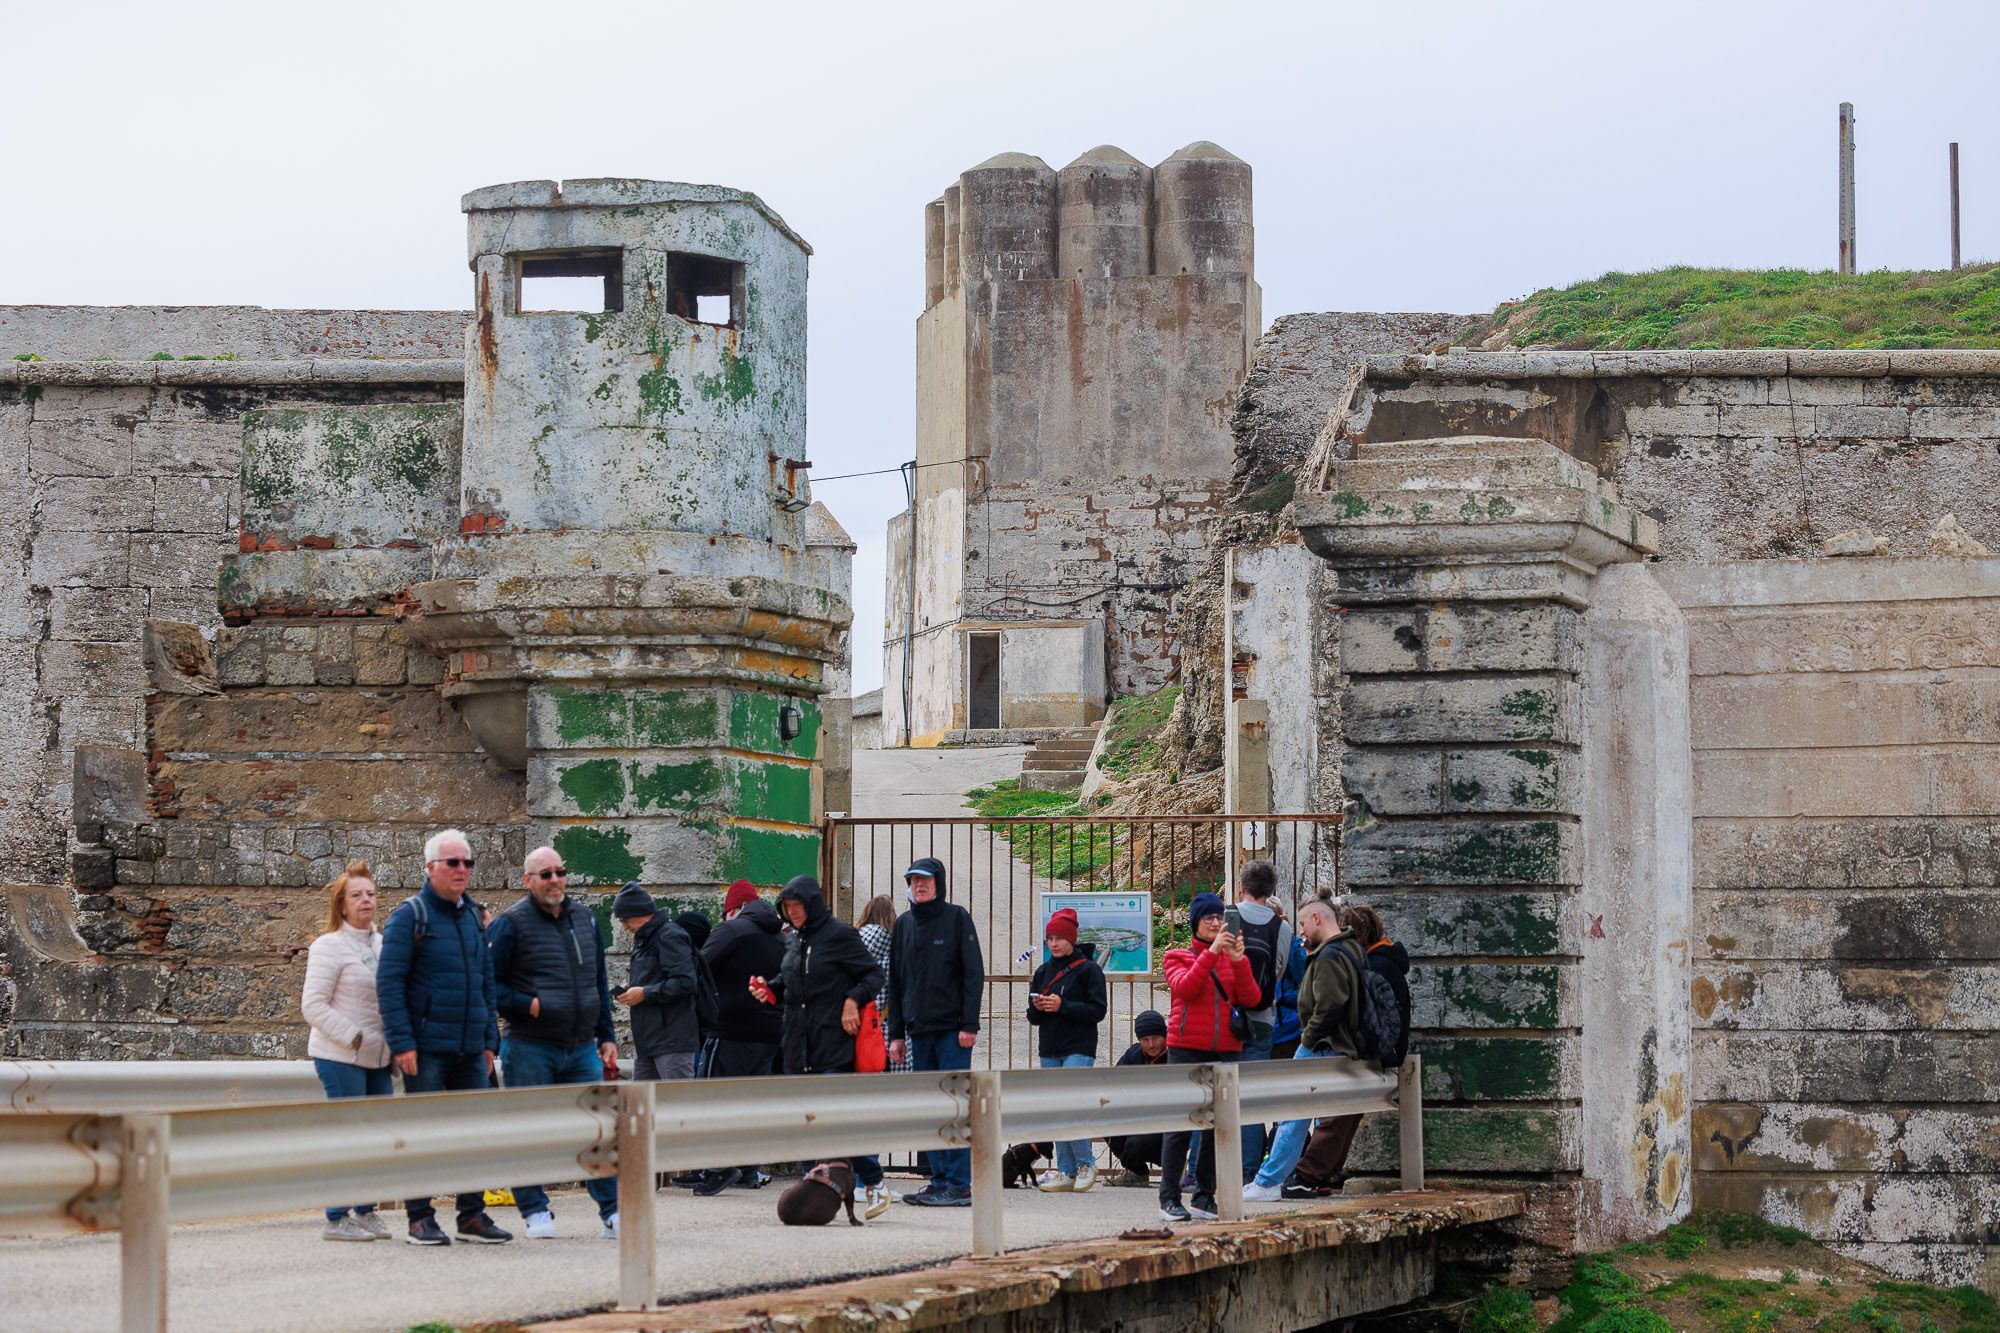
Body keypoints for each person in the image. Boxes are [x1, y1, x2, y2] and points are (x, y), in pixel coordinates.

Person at [375, 829, 512, 1246]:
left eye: (468, 862)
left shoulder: (471, 916)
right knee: (425, 1134)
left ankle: (471, 1215)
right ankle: (420, 1218)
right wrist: (402, 1043)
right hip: (426, 1048)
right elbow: (390, 984)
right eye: (453, 862)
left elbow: (486, 980)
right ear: (430, 867)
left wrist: (490, 1040)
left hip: (471, 1048)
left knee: (476, 1132)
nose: (462, 870)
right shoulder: (409, 916)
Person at [486, 846, 621, 1240]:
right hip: (530, 1045)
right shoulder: (510, 924)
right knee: (530, 1131)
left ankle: (612, 1211)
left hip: (581, 1047)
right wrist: (526, 1004)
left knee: (597, 1129)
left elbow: (597, 980)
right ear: (528, 880)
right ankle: (534, 1211)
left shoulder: (585, 919)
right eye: (545, 874)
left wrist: (607, 1034)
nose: (555, 880)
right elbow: (488, 984)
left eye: (560, 872)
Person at [749, 875, 892, 1220]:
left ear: (812, 904)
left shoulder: (840, 935)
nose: (793, 911)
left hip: (832, 1046)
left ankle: (875, 1183)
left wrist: (852, 999)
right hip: (798, 1047)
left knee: (838, 1120)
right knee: (804, 1120)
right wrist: (769, 989)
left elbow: (873, 975)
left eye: (798, 905)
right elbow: (791, 984)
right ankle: (815, 1187)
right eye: (788, 906)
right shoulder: (793, 939)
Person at [1281, 902, 1412, 1199]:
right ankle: (1323, 1174)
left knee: (1336, 1115)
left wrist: (1309, 1039)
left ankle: (1307, 1175)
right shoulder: (1385, 962)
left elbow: (1339, 1006)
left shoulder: (1371, 964)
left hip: (1364, 1050)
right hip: (1382, 1051)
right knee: (1344, 1114)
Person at [1242, 898, 1367, 1201]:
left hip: (1321, 1045)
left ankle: (1268, 1181)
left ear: (1317, 919)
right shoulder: (1353, 949)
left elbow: (1329, 1006)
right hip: (1342, 1046)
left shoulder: (1328, 956)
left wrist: (1307, 1040)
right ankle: (1283, 1178)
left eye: (1302, 923)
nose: (1300, 931)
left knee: (1293, 1115)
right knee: (1312, 1116)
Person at [301, 861, 394, 1241]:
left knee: (376, 1136)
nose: (365, 900)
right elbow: (312, 1005)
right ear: (341, 905)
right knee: (348, 1136)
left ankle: (366, 1211)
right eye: (356, 895)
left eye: (370, 893)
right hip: (340, 1056)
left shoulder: (384, 944)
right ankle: (336, 1217)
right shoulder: (328, 946)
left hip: (378, 1058)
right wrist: (353, 1037)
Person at [885, 856, 984, 1208]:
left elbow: (973, 973)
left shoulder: (957, 918)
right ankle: (939, 1180)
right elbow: (896, 982)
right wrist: (896, 1034)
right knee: (930, 1107)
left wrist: (969, 1024)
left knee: (954, 1106)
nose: (919, 885)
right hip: (918, 1032)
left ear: (938, 883)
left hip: (952, 1033)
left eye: (925, 880)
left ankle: (958, 1184)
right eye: (914, 880)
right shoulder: (904, 925)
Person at [1156, 892, 1260, 1223]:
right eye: (1208, 918)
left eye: (1219, 917)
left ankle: (1204, 1195)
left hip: (1226, 1048)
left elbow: (1252, 998)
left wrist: (1239, 960)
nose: (1216, 923)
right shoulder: (1177, 956)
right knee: (1180, 1123)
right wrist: (1212, 953)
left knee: (1217, 1125)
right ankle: (1169, 1197)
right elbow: (1185, 988)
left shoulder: (1233, 958)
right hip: (1186, 1047)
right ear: (1195, 923)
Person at [692, 879, 787, 1194]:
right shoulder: (781, 936)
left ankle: (716, 1168)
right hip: (770, 1033)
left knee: (713, 1098)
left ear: (733, 908)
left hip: (731, 1030)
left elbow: (698, 967)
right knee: (750, 1104)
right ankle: (747, 1169)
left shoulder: (731, 931)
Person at [1026, 907, 1107, 1192]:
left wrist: (1063, 1006)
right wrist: (1038, 1007)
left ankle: (1086, 1164)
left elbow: (1098, 1010)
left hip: (1079, 1046)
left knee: (1072, 1104)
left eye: (1059, 938)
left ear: (1071, 938)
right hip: (1049, 1047)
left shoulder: (1089, 970)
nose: (1053, 943)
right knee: (1057, 1108)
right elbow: (1032, 1017)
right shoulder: (1042, 971)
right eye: (1049, 938)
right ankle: (1066, 1170)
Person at [1233, 860, 1292, 1172]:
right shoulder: (1282, 927)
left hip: (1227, 1018)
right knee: (1249, 1098)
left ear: (1241, 887)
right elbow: (1278, 972)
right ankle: (1248, 1170)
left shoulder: (1227, 916)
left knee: (1217, 1093)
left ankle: (1213, 1169)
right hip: (1262, 1017)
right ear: (1271, 891)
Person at [612, 883, 702, 1082]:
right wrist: (632, 990)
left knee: (678, 1099)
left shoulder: (670, 935)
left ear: (640, 913)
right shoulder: (646, 938)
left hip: (672, 1041)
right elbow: (655, 978)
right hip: (649, 1041)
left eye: (625, 920)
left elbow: (685, 982)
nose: (624, 927)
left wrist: (644, 993)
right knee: (640, 1099)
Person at [1103, 1010, 1170, 1186]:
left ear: (1165, 1035)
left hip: (1171, 1121)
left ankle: (1175, 1168)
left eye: (1156, 1038)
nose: (1151, 1044)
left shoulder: (1176, 1055)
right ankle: (1137, 1172)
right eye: (1145, 1040)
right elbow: (1113, 1083)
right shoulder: (1134, 1054)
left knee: (1135, 1144)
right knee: (1104, 1122)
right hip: (1142, 1117)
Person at [856, 895, 911, 1073]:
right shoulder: (895, 950)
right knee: (894, 1083)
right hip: (890, 1029)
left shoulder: (854, 945)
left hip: (862, 1026)